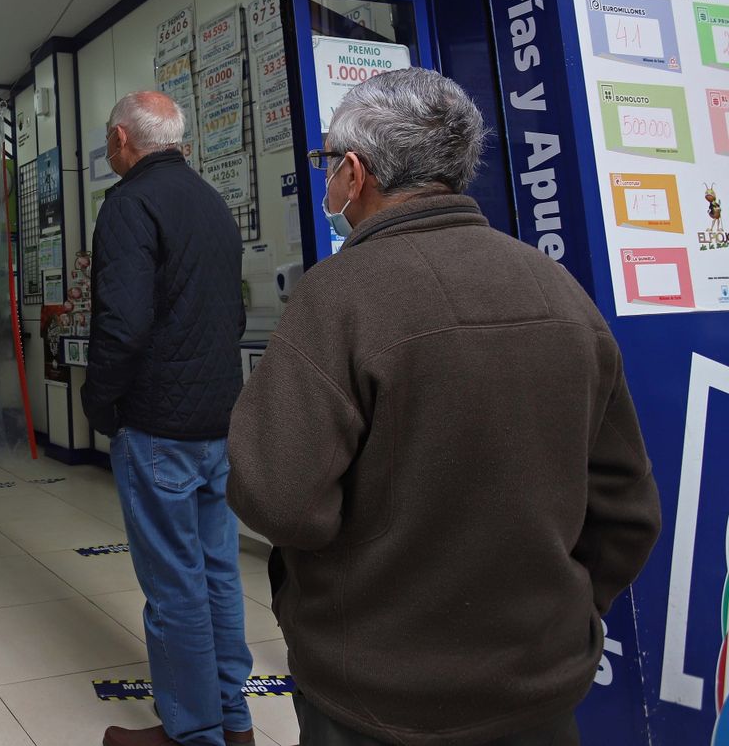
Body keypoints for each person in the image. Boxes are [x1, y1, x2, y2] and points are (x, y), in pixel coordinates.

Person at [228, 68, 662, 745]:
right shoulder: (560, 290)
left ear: (353, 171)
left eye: (327, 166)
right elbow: (628, 511)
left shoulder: (337, 297)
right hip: (537, 691)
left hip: (373, 695)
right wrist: (559, 610)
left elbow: (278, 498)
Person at [86, 92, 255, 746]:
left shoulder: (129, 204)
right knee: (217, 570)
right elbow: (229, 315)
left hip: (158, 425)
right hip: (218, 421)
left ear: (123, 137)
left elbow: (121, 324)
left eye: (109, 139)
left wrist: (101, 402)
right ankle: (231, 720)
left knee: (173, 586)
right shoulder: (212, 203)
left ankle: (192, 732)